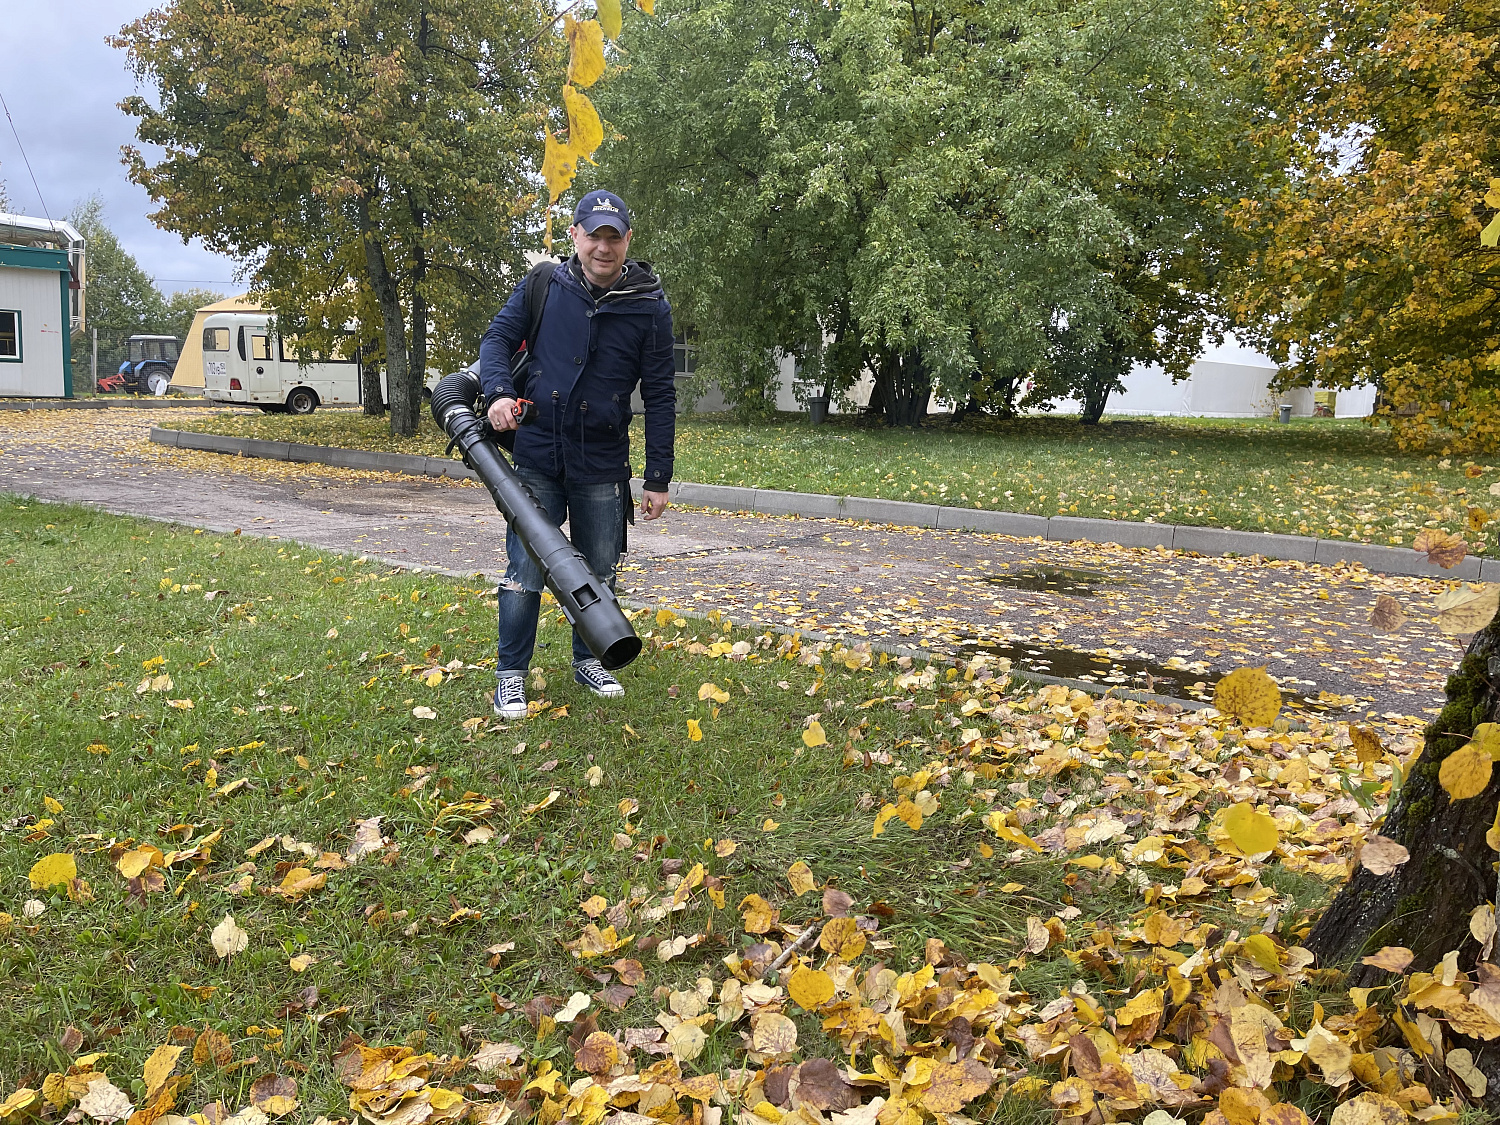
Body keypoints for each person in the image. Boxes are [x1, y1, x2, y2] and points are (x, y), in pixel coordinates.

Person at [477, 189, 676, 719]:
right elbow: (498, 339)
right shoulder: (545, 284)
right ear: (576, 236)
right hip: (539, 453)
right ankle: (511, 675)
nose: (603, 248)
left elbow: (659, 393)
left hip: (603, 463)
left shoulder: (650, 306)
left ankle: (588, 659)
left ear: (628, 241)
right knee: (525, 571)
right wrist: (498, 393)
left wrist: (658, 475)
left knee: (601, 572)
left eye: (614, 237)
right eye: (594, 236)